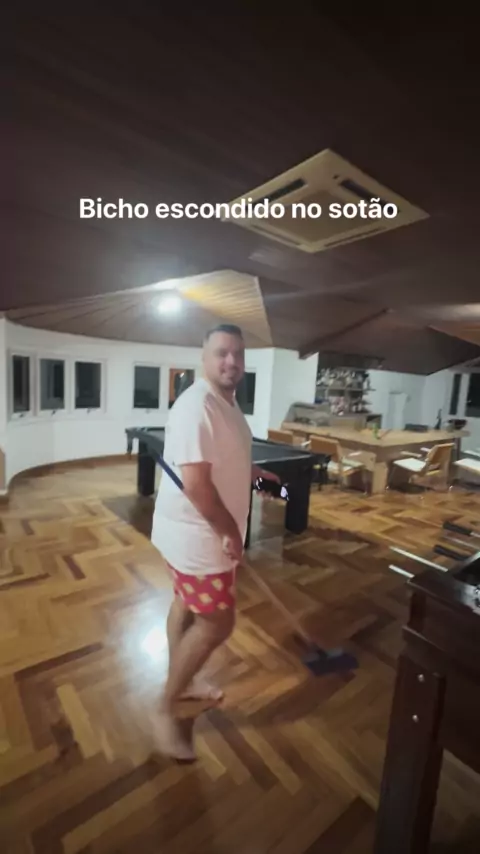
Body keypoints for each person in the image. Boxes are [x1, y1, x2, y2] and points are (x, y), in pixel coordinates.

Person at [150, 323, 280, 760]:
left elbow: (221, 462)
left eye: (238, 354)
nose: (232, 362)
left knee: (185, 605)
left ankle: (182, 682)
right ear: (203, 357)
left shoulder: (226, 402)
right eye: (222, 352)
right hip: (198, 536)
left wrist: (254, 476)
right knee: (217, 624)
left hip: (187, 533)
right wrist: (228, 531)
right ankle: (165, 707)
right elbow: (197, 486)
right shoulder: (197, 406)